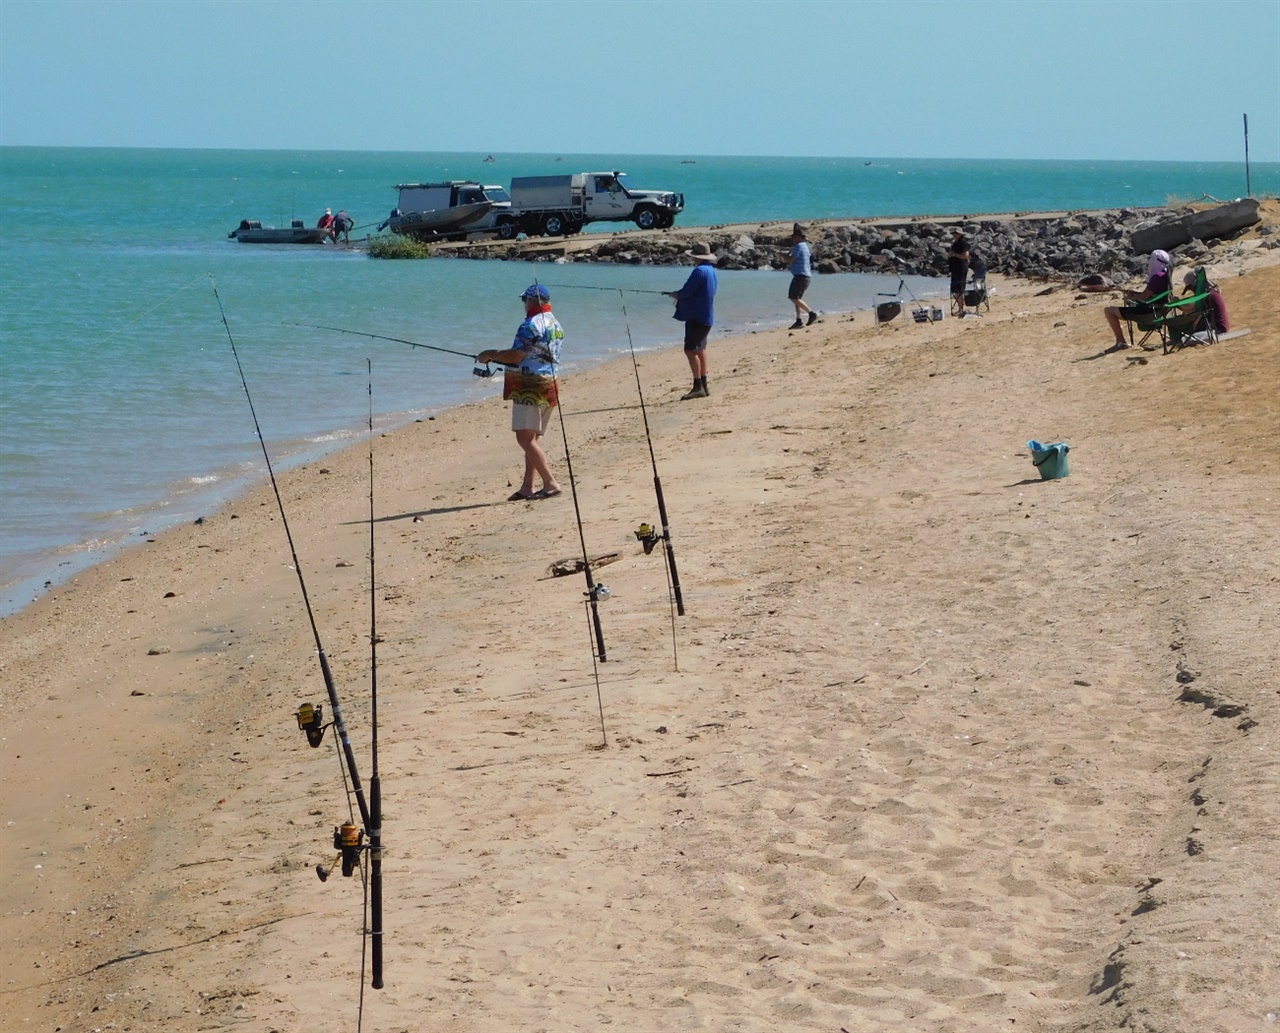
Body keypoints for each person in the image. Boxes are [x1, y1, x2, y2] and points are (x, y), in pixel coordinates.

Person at [477, 285, 565, 501]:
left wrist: (490, 354)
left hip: (530, 385)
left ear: (530, 301)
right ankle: (528, 486)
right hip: (550, 383)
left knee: (525, 439)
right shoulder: (555, 323)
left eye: (524, 300)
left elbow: (516, 356)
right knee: (533, 437)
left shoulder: (530, 325)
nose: (523, 305)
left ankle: (550, 483)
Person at [666, 241, 718, 399]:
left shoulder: (699, 271)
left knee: (689, 350)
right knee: (700, 350)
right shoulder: (711, 270)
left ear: (696, 256)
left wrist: (677, 294)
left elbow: (687, 291)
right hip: (706, 316)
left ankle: (697, 386)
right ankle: (704, 384)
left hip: (697, 317)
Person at [1103, 250, 1173, 350]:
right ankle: (1121, 342)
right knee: (1112, 310)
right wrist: (1134, 294)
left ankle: (1121, 341)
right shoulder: (1166, 274)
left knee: (1109, 311)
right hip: (1162, 309)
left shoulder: (1157, 276)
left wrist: (1130, 298)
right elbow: (1150, 294)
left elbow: (1144, 297)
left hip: (1149, 312)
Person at [787, 223, 819, 328]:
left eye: (794, 237)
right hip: (804, 276)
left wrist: (783, 258)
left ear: (798, 237)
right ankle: (798, 320)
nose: (793, 239)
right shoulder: (805, 246)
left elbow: (792, 259)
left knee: (793, 297)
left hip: (801, 276)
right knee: (797, 299)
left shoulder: (799, 246)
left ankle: (811, 313)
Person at [948, 229, 970, 316]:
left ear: (960, 234)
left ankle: (961, 308)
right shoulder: (955, 243)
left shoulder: (963, 243)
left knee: (959, 289)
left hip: (961, 269)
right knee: (954, 289)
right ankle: (960, 307)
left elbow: (966, 256)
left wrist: (954, 255)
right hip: (954, 269)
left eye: (956, 233)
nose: (954, 235)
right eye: (954, 233)